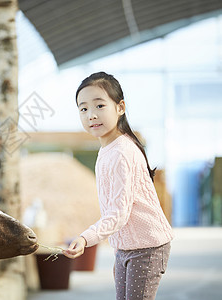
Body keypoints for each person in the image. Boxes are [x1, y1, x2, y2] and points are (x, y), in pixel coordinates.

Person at [63, 72, 174, 300]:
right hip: (126, 247)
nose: (91, 115)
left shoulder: (122, 151)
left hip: (147, 247)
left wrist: (86, 238)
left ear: (120, 107)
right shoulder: (106, 150)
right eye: (83, 109)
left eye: (100, 105)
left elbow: (118, 213)